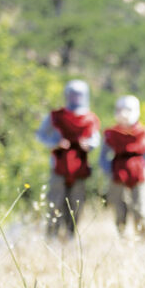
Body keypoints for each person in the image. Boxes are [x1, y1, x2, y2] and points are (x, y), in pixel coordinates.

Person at [36, 80, 100, 238]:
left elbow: (95, 139)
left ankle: (71, 235)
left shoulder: (90, 118)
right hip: (59, 166)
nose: (76, 98)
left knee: (76, 203)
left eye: (79, 95)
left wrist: (88, 145)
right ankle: (52, 236)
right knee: (55, 201)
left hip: (80, 167)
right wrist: (55, 143)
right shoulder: (56, 116)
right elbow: (41, 134)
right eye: (73, 94)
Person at [99, 95, 145, 238]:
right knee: (119, 208)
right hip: (118, 174)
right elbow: (103, 157)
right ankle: (122, 236)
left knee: (141, 209)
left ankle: (143, 238)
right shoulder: (111, 134)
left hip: (139, 174)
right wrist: (110, 172)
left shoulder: (143, 133)